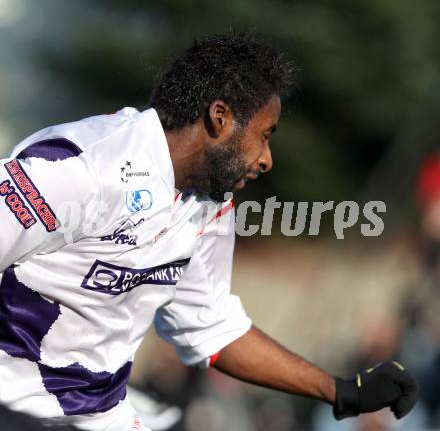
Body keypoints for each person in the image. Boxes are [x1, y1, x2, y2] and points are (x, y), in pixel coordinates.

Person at [0, 32, 418, 431]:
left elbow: (211, 326)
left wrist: (341, 391)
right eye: (264, 135)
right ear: (220, 117)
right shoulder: (82, 166)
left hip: (101, 415)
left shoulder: (208, 203)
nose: (267, 159)